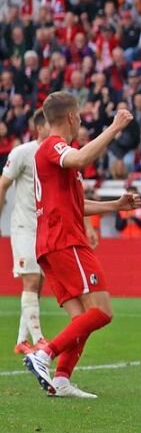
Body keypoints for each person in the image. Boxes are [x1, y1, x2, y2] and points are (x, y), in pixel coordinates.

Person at [22, 93, 140, 399]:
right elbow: (81, 158)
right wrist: (114, 128)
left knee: (82, 319)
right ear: (72, 117)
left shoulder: (56, 154)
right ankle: (44, 353)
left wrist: (115, 205)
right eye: (80, 117)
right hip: (65, 240)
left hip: (52, 242)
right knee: (102, 312)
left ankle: (61, 379)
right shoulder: (53, 146)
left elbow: (75, 204)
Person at [0, 110, 49, 354]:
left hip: (45, 230)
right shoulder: (23, 152)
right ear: (40, 128)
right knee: (30, 280)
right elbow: (3, 183)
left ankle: (21, 340)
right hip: (24, 227)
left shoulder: (58, 154)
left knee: (38, 284)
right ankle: (39, 338)